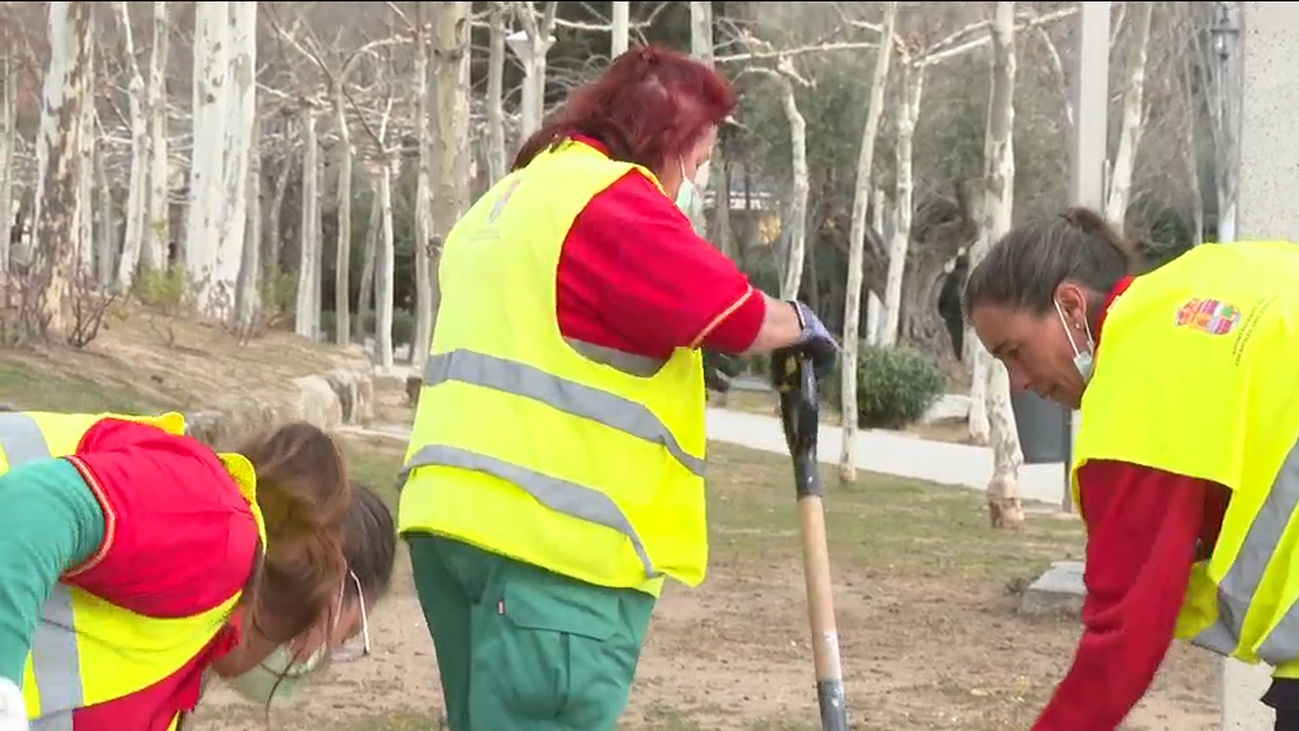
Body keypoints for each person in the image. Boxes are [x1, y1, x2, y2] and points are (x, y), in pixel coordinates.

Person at [399, 44, 839, 730]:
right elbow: (735, 315)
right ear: (664, 138)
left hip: (449, 525)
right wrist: (801, 326)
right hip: (552, 553)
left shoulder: (511, 198)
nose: (693, 177)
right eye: (697, 156)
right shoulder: (610, 205)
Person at [962, 206, 1299, 730]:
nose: (1020, 382)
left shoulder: (1135, 387)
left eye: (1015, 352)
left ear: (1071, 306)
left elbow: (1124, 634)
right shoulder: (1221, 277)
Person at [0, 410, 387, 731]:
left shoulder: (181, 663)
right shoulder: (216, 528)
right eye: (348, 634)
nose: (325, 657)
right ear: (332, 587)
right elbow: (31, 508)